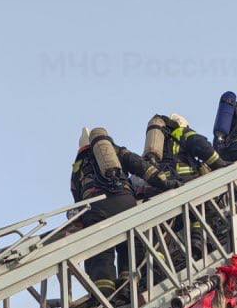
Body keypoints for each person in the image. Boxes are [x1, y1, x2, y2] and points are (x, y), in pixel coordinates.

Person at [70, 126, 176, 295]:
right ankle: (130, 285)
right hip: (124, 202)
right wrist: (165, 183)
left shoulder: (77, 167)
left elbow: (77, 200)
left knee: (100, 255)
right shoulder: (114, 151)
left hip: (96, 209)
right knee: (131, 246)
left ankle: (105, 296)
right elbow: (141, 166)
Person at [142, 113, 226, 187]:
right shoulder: (181, 131)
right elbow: (202, 146)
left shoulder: (161, 140)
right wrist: (220, 163)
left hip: (163, 183)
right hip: (185, 179)